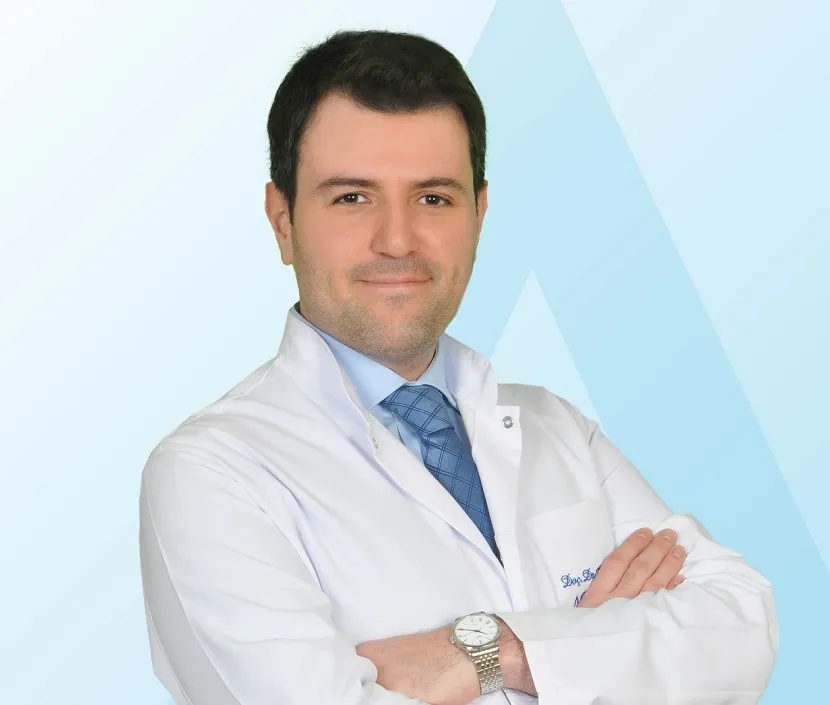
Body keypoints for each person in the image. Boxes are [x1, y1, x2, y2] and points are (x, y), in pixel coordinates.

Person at [138, 29, 778, 705]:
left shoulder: (557, 428)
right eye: (352, 197)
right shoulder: (212, 474)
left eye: (434, 198)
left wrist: (496, 649)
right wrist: (600, 650)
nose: (397, 240)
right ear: (282, 222)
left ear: (479, 213)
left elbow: (743, 627)